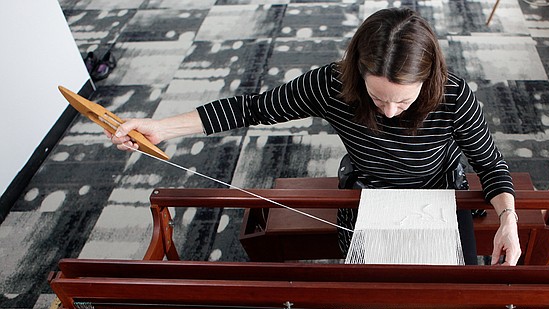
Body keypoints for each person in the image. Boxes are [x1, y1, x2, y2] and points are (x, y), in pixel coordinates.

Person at [110, 7, 521, 265]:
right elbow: (252, 108)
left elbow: (490, 164)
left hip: (439, 194)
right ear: (359, 72)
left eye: (403, 101)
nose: (390, 111)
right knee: (366, 296)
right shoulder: (333, 85)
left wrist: (508, 218)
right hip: (367, 193)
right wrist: (161, 128)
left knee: (458, 295)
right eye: (379, 97)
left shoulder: (452, 95)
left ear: (427, 80)